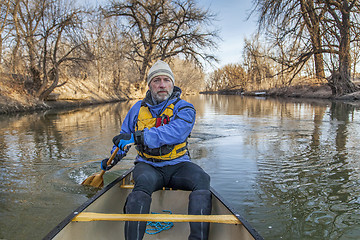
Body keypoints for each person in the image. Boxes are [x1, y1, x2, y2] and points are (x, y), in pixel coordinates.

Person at [101, 60, 211, 240]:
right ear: (150, 85)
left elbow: (176, 133)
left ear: (172, 84)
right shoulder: (136, 109)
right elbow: (124, 137)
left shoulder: (185, 108)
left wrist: (138, 137)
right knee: (142, 183)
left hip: (179, 164)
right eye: (156, 80)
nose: (162, 85)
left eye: (166, 80)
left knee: (202, 179)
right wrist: (113, 158)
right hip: (148, 165)